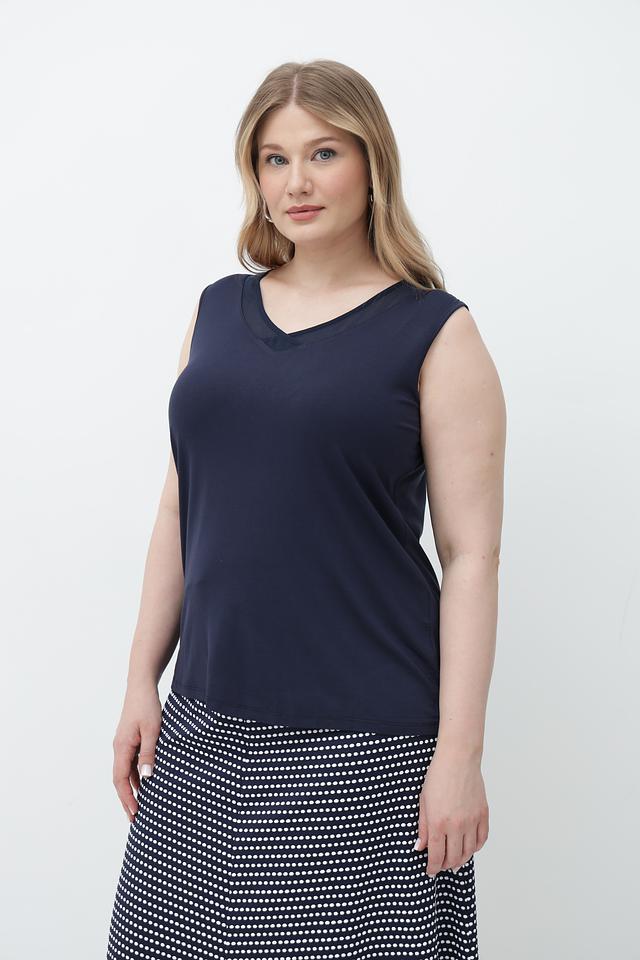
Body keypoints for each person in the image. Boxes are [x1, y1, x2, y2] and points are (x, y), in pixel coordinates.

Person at [106, 58, 505, 960]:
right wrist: (140, 679)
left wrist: (459, 756)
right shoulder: (217, 313)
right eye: (274, 158)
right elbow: (178, 508)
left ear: (371, 163)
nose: (297, 182)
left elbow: (471, 557)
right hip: (207, 723)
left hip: (368, 741)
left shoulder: (437, 330)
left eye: (323, 153)